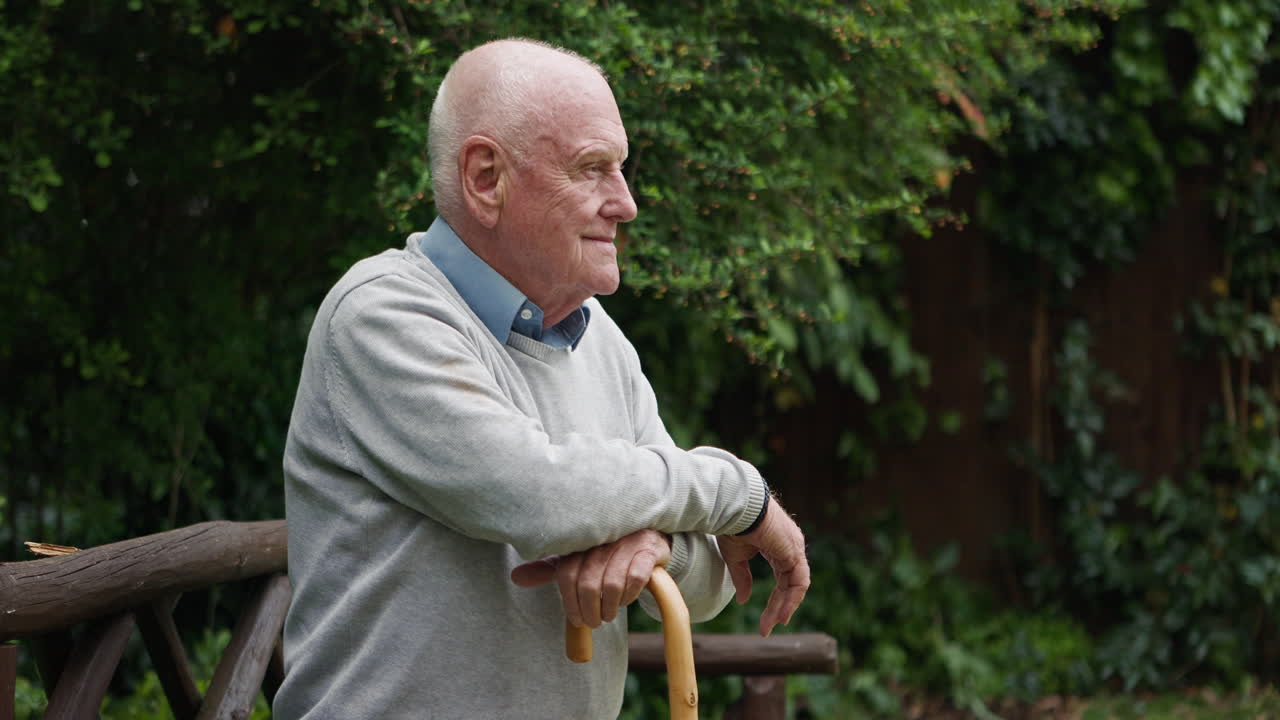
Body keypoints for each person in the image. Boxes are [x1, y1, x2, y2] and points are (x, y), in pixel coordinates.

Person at [274, 38, 809, 719]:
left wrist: (653, 546)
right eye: (593, 170)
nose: (627, 203)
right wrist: (737, 489)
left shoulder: (599, 339)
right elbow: (537, 494)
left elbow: (711, 583)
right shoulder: (382, 314)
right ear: (486, 179)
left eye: (621, 169)